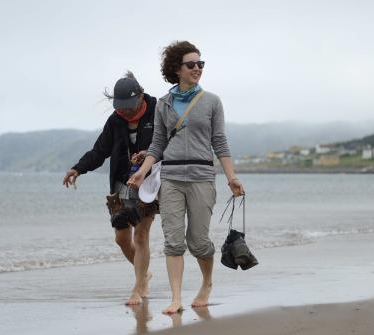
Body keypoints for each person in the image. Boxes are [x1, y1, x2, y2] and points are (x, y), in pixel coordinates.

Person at [128, 41, 244, 314]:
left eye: (200, 64)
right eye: (191, 64)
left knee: (198, 241)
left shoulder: (212, 102)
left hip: (202, 177)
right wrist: (141, 173)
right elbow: (157, 144)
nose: (197, 69)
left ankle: (206, 284)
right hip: (171, 179)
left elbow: (220, 143)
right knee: (173, 240)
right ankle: (176, 297)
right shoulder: (164, 104)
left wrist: (231, 178)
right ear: (176, 69)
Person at [63, 72, 157, 305]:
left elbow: (167, 143)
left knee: (142, 234)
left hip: (149, 181)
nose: (124, 111)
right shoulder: (115, 121)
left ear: (141, 96)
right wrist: (78, 169)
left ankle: (138, 287)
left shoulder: (157, 110)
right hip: (120, 183)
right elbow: (99, 151)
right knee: (122, 238)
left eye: (129, 106)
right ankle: (143, 273)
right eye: (120, 107)